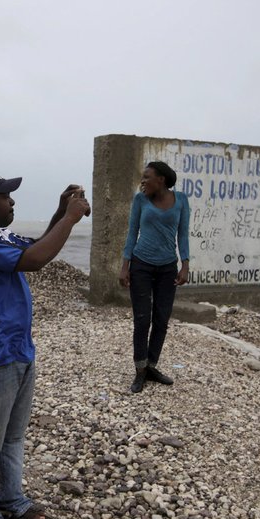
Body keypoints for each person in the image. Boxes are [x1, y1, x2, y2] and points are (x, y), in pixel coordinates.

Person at [0, 171, 90, 519]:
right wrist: (71, 219)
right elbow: (35, 260)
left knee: (13, 436)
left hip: (18, 349)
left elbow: (36, 245)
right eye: (5, 197)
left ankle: (11, 500)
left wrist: (61, 211)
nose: (12, 202)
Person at [118, 161, 190, 393]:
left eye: (147, 177)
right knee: (142, 319)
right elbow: (132, 232)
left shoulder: (181, 200)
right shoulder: (141, 200)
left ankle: (152, 366)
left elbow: (183, 234)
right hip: (141, 265)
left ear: (161, 179)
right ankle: (139, 371)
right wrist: (124, 265)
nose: (143, 181)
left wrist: (185, 265)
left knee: (161, 319)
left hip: (168, 267)